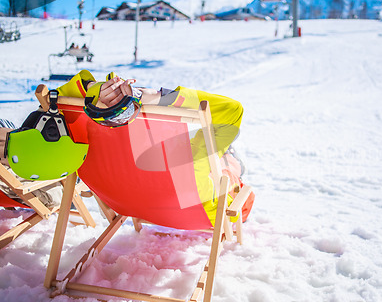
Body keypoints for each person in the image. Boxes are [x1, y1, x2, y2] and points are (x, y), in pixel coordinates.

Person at [56, 70, 252, 224]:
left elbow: (67, 91)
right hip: (193, 208)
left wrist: (100, 91)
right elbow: (232, 110)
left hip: (119, 200)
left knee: (186, 152)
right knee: (233, 183)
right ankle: (230, 159)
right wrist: (157, 97)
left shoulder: (73, 109)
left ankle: (225, 156)